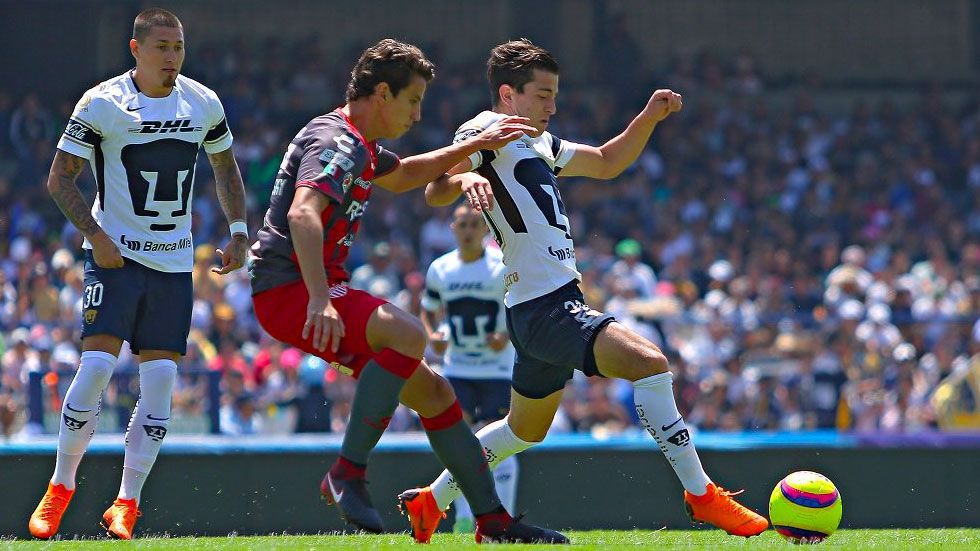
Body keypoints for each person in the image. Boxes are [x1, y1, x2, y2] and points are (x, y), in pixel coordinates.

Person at [400, 39, 769, 541]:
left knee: (522, 430)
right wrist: (464, 180)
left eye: (555, 95)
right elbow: (435, 188)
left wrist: (648, 117)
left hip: (540, 305)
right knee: (650, 363)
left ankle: (430, 500)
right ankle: (702, 496)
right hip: (545, 305)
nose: (553, 106)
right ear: (508, 95)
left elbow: (605, 161)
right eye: (543, 94)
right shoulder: (484, 128)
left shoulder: (539, 144)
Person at [248, 38, 566, 543]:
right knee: (409, 334)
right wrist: (319, 299)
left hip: (306, 290)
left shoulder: (361, 144)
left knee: (437, 394)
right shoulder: (337, 142)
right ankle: (347, 473)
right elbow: (302, 215)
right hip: (290, 292)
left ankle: (493, 520)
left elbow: (408, 176)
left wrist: (474, 148)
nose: (418, 114)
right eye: (413, 100)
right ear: (381, 94)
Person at [28, 8, 249, 540]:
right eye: (162, 47)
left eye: (178, 47)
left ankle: (127, 502)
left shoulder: (203, 102)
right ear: (136, 49)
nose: (172, 57)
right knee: (98, 365)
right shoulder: (102, 102)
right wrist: (97, 236)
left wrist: (240, 229)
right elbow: (60, 179)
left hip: (174, 260)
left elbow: (225, 166)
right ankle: (60, 487)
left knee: (161, 384)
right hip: (116, 255)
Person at [419, 203, 516, 533]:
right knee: (462, 445)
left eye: (475, 224)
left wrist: (506, 335)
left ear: (486, 228)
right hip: (458, 369)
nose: (469, 230)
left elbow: (520, 306)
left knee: (499, 443)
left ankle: (506, 518)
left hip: (498, 370)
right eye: (462, 224)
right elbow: (429, 309)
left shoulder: (501, 267)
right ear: (452, 229)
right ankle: (464, 518)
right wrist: (433, 335)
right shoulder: (441, 268)